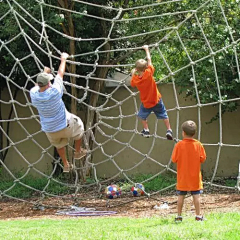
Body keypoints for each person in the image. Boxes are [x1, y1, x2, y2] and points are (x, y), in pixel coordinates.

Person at [30, 52, 86, 173]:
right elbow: (60, 74)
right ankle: (78, 151)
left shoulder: (33, 94)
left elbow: (37, 86)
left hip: (50, 130)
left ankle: (66, 164)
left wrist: (45, 72)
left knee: (59, 145)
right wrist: (63, 59)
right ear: (49, 83)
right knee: (79, 126)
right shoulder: (54, 91)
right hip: (65, 125)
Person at [130, 45, 173, 140]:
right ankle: (169, 129)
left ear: (137, 69)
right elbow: (149, 60)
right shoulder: (149, 73)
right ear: (146, 68)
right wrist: (146, 49)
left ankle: (146, 130)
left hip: (146, 103)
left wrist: (133, 73)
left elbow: (132, 84)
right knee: (164, 115)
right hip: (156, 100)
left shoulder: (136, 80)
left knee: (141, 116)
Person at [171, 120, 206, 222]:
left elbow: (174, 159)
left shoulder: (179, 145)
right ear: (194, 133)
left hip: (183, 177)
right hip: (195, 177)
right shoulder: (198, 145)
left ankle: (178, 216)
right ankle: (198, 216)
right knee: (196, 196)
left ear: (183, 132)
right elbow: (203, 159)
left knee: (180, 196)